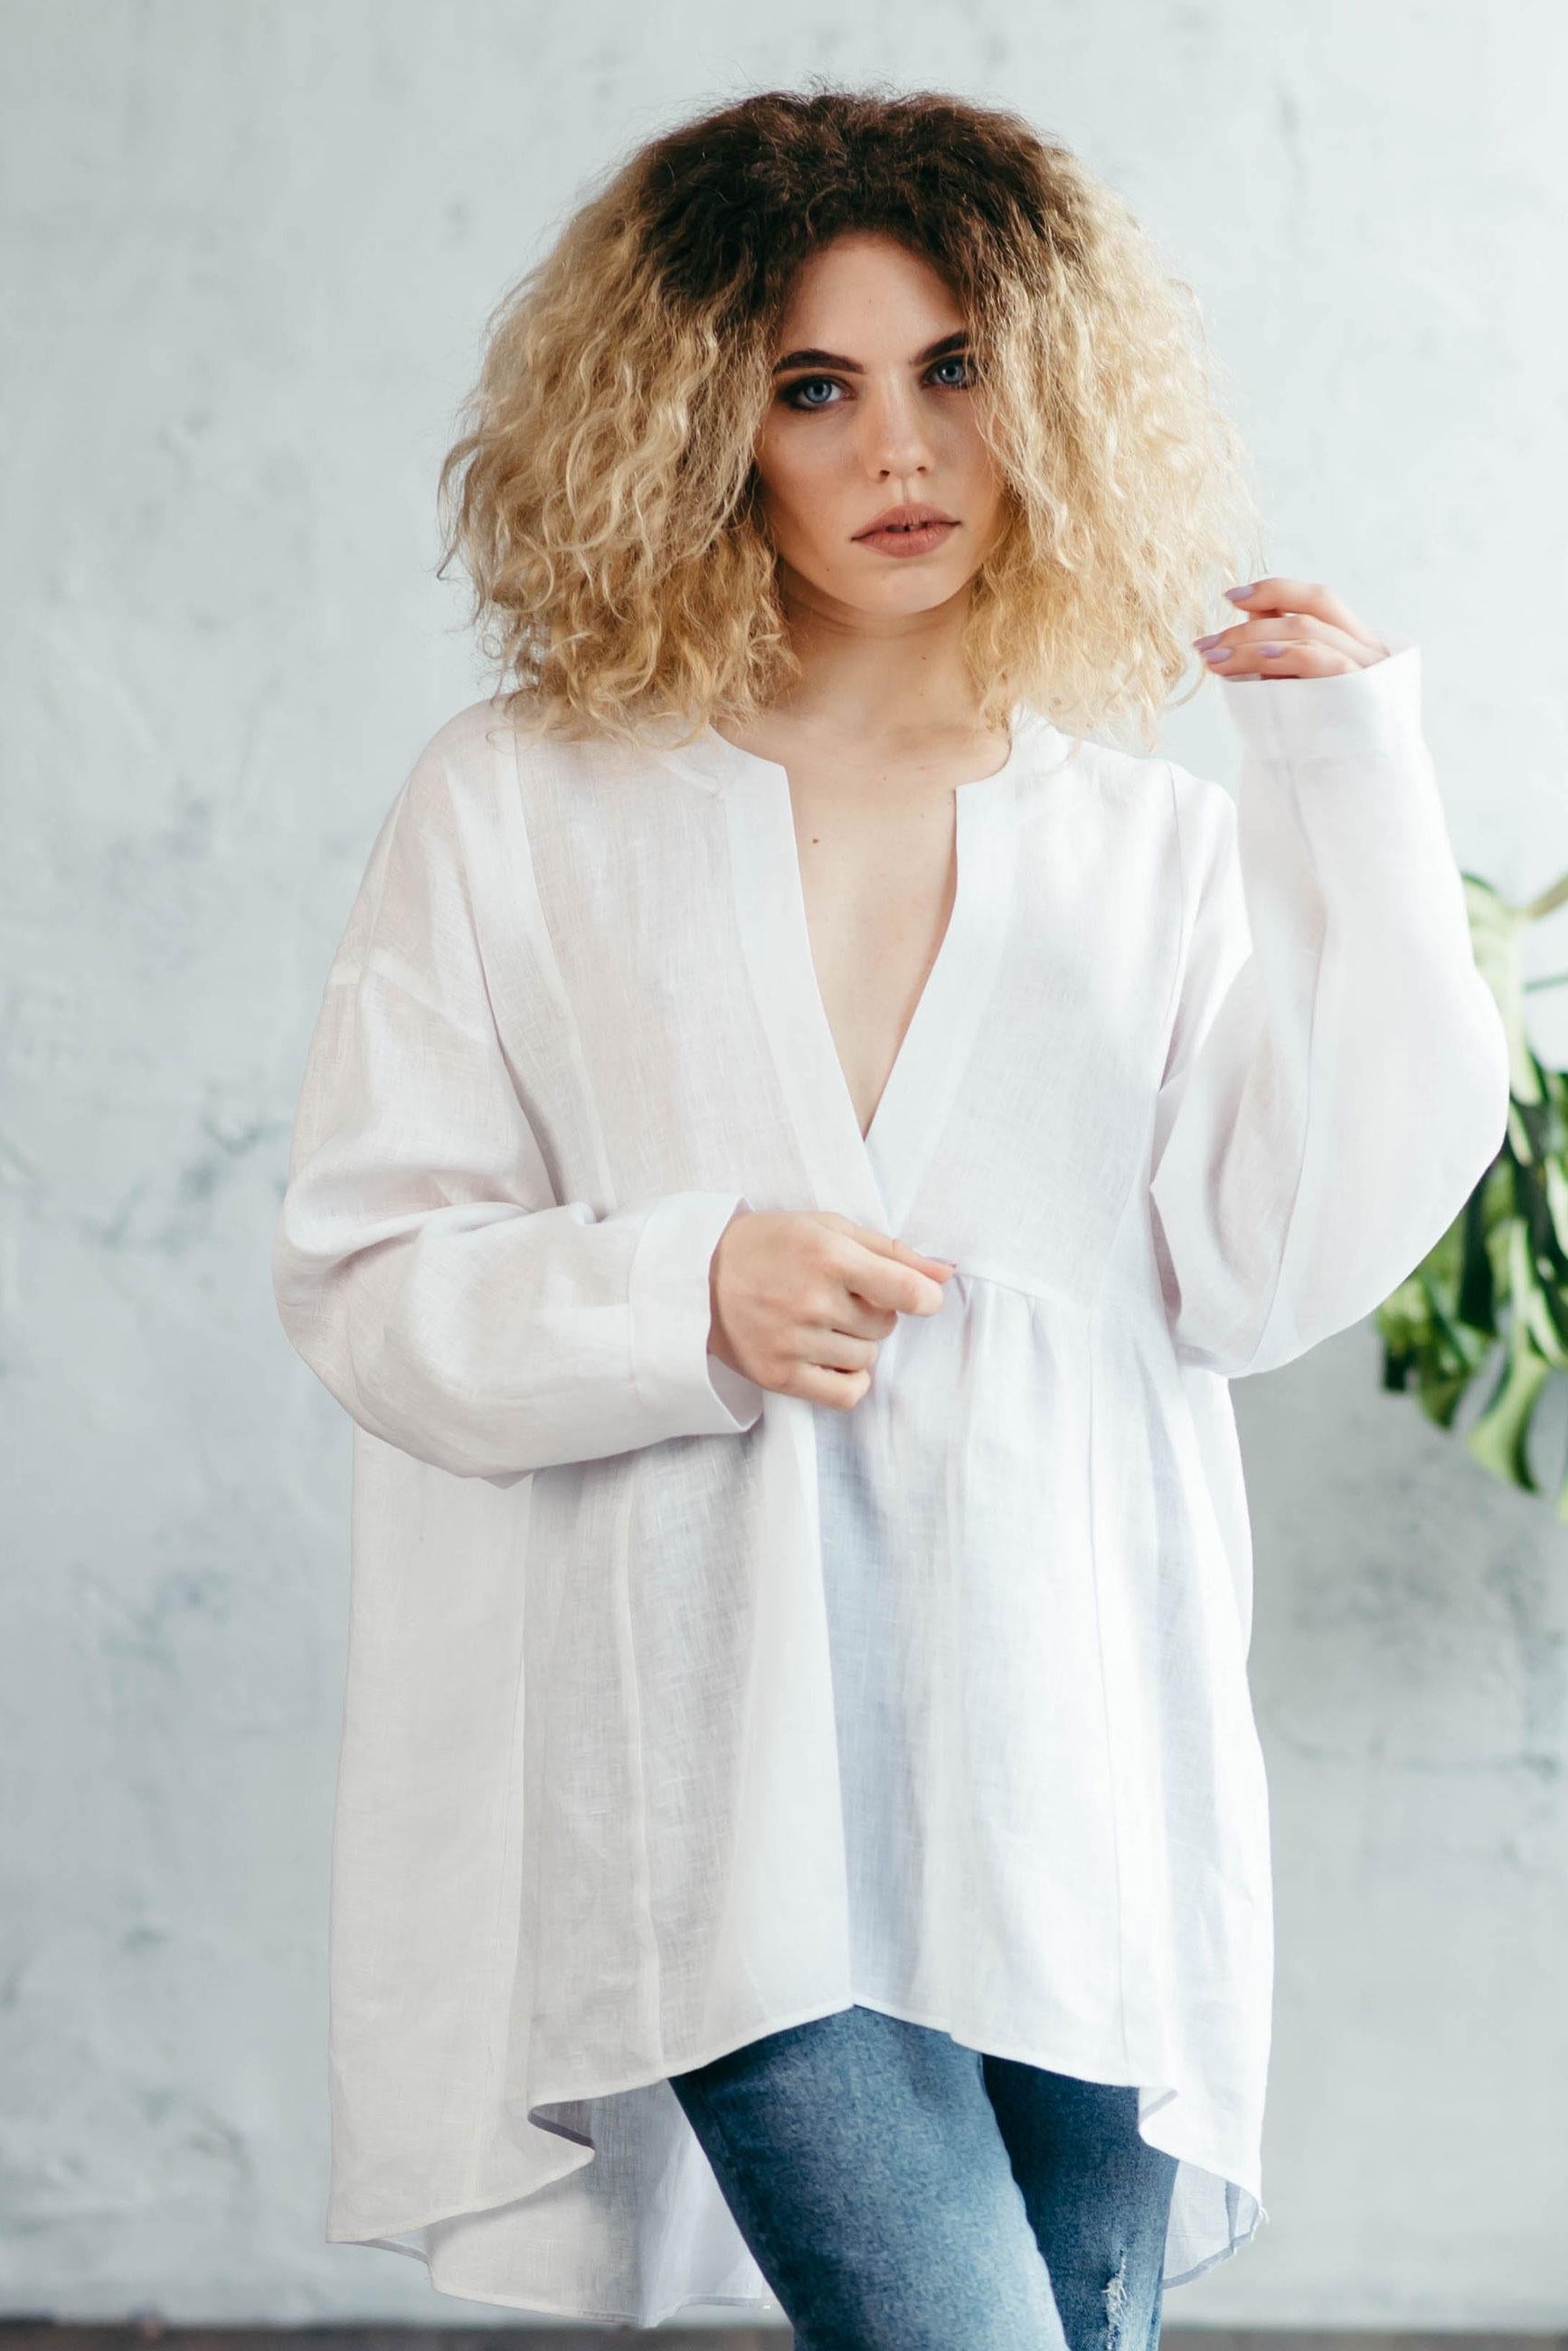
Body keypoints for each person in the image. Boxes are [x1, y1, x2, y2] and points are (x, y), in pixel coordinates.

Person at [271, 82, 1510, 2347]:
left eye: (953, 370)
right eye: (814, 387)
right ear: (699, 422)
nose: (896, 451)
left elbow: (1272, 1261)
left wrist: (1347, 784)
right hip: (723, 1790)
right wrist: (680, 1289)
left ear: (1042, 393)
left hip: (1077, 1773)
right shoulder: (524, 805)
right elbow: (368, 1273)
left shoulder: (1144, 844)